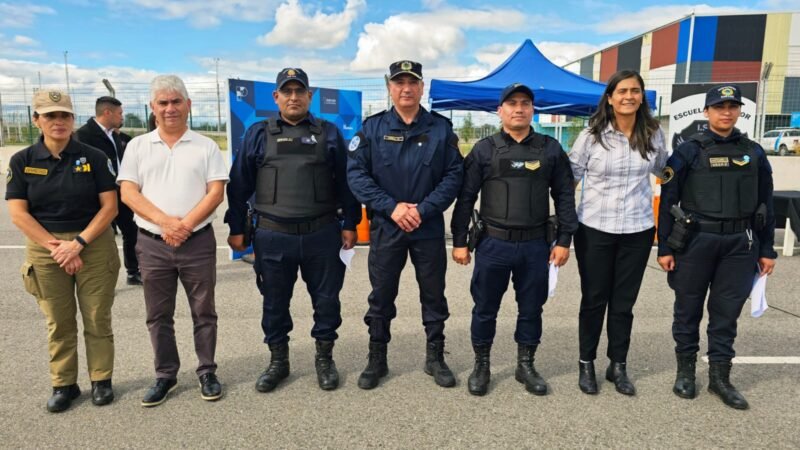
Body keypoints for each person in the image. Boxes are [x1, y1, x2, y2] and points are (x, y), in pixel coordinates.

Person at [225, 68, 361, 392]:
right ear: (276, 97)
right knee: (274, 303)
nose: (294, 97)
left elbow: (346, 182)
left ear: (310, 96)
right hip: (273, 236)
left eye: (300, 91)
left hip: (322, 234)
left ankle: (324, 359)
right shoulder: (258, 134)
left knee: (327, 302)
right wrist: (236, 227)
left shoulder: (328, 133)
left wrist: (352, 223)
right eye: (287, 91)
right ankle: (278, 362)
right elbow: (239, 184)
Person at [451, 83, 577, 396]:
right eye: (511, 103)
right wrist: (459, 240)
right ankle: (482, 365)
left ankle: (526, 364)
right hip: (493, 244)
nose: (518, 109)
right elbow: (465, 197)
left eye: (525, 103)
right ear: (500, 111)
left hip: (536, 246)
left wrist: (564, 240)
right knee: (484, 308)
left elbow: (564, 196)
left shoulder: (549, 148)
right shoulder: (484, 149)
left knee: (532, 308)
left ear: (533, 110)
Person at [657, 84, 776, 410]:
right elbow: (669, 199)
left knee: (725, 315)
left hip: (740, 244)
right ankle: (685, 372)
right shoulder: (688, 151)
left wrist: (767, 249)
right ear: (707, 112)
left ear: (739, 111)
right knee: (688, 310)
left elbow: (766, 202)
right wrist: (664, 247)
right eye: (719, 106)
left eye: (732, 106)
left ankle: (720, 379)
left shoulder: (754, 152)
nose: (726, 112)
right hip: (696, 241)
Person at [347, 60, 463, 389]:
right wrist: (392, 208)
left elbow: (454, 175)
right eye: (399, 82)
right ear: (390, 87)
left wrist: (423, 210)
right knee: (381, 295)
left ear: (422, 87)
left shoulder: (441, 129)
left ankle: (436, 357)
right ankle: (377, 358)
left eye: (412, 82)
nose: (406, 88)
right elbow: (356, 175)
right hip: (387, 226)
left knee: (433, 294)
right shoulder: (372, 129)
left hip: (426, 228)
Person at [6, 90, 120, 412]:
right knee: (59, 321)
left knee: (97, 316)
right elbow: (18, 214)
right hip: (47, 248)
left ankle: (101, 379)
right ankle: (64, 384)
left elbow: (109, 207)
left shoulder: (95, 157)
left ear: (73, 119)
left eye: (64, 115)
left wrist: (78, 243)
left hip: (93, 244)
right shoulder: (23, 161)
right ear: (36, 119)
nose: (58, 122)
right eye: (50, 115)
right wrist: (57, 247)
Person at [118, 75, 229, 407]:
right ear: (153, 108)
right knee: (158, 314)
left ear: (188, 106)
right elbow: (127, 192)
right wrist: (167, 223)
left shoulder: (205, 146)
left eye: (176, 102)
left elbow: (216, 191)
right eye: (162, 103)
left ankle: (207, 371)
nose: (169, 109)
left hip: (197, 242)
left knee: (204, 311)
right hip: (153, 243)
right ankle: (165, 375)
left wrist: (186, 225)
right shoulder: (137, 146)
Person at [568, 70, 668, 396]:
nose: (628, 96)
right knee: (595, 300)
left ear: (642, 97)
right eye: (622, 91)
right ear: (609, 98)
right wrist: (563, 225)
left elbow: (664, 171)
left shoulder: (653, 134)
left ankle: (618, 365)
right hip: (595, 229)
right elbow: (570, 179)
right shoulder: (591, 136)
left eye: (635, 91)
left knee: (624, 303)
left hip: (637, 230)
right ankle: (586, 364)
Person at [76, 96, 142, 285]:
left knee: (131, 230)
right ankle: (96, 278)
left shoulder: (115, 135)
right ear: (107, 113)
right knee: (100, 237)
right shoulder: (83, 136)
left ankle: (133, 272)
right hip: (97, 198)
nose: (122, 117)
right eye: (120, 113)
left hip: (120, 193)